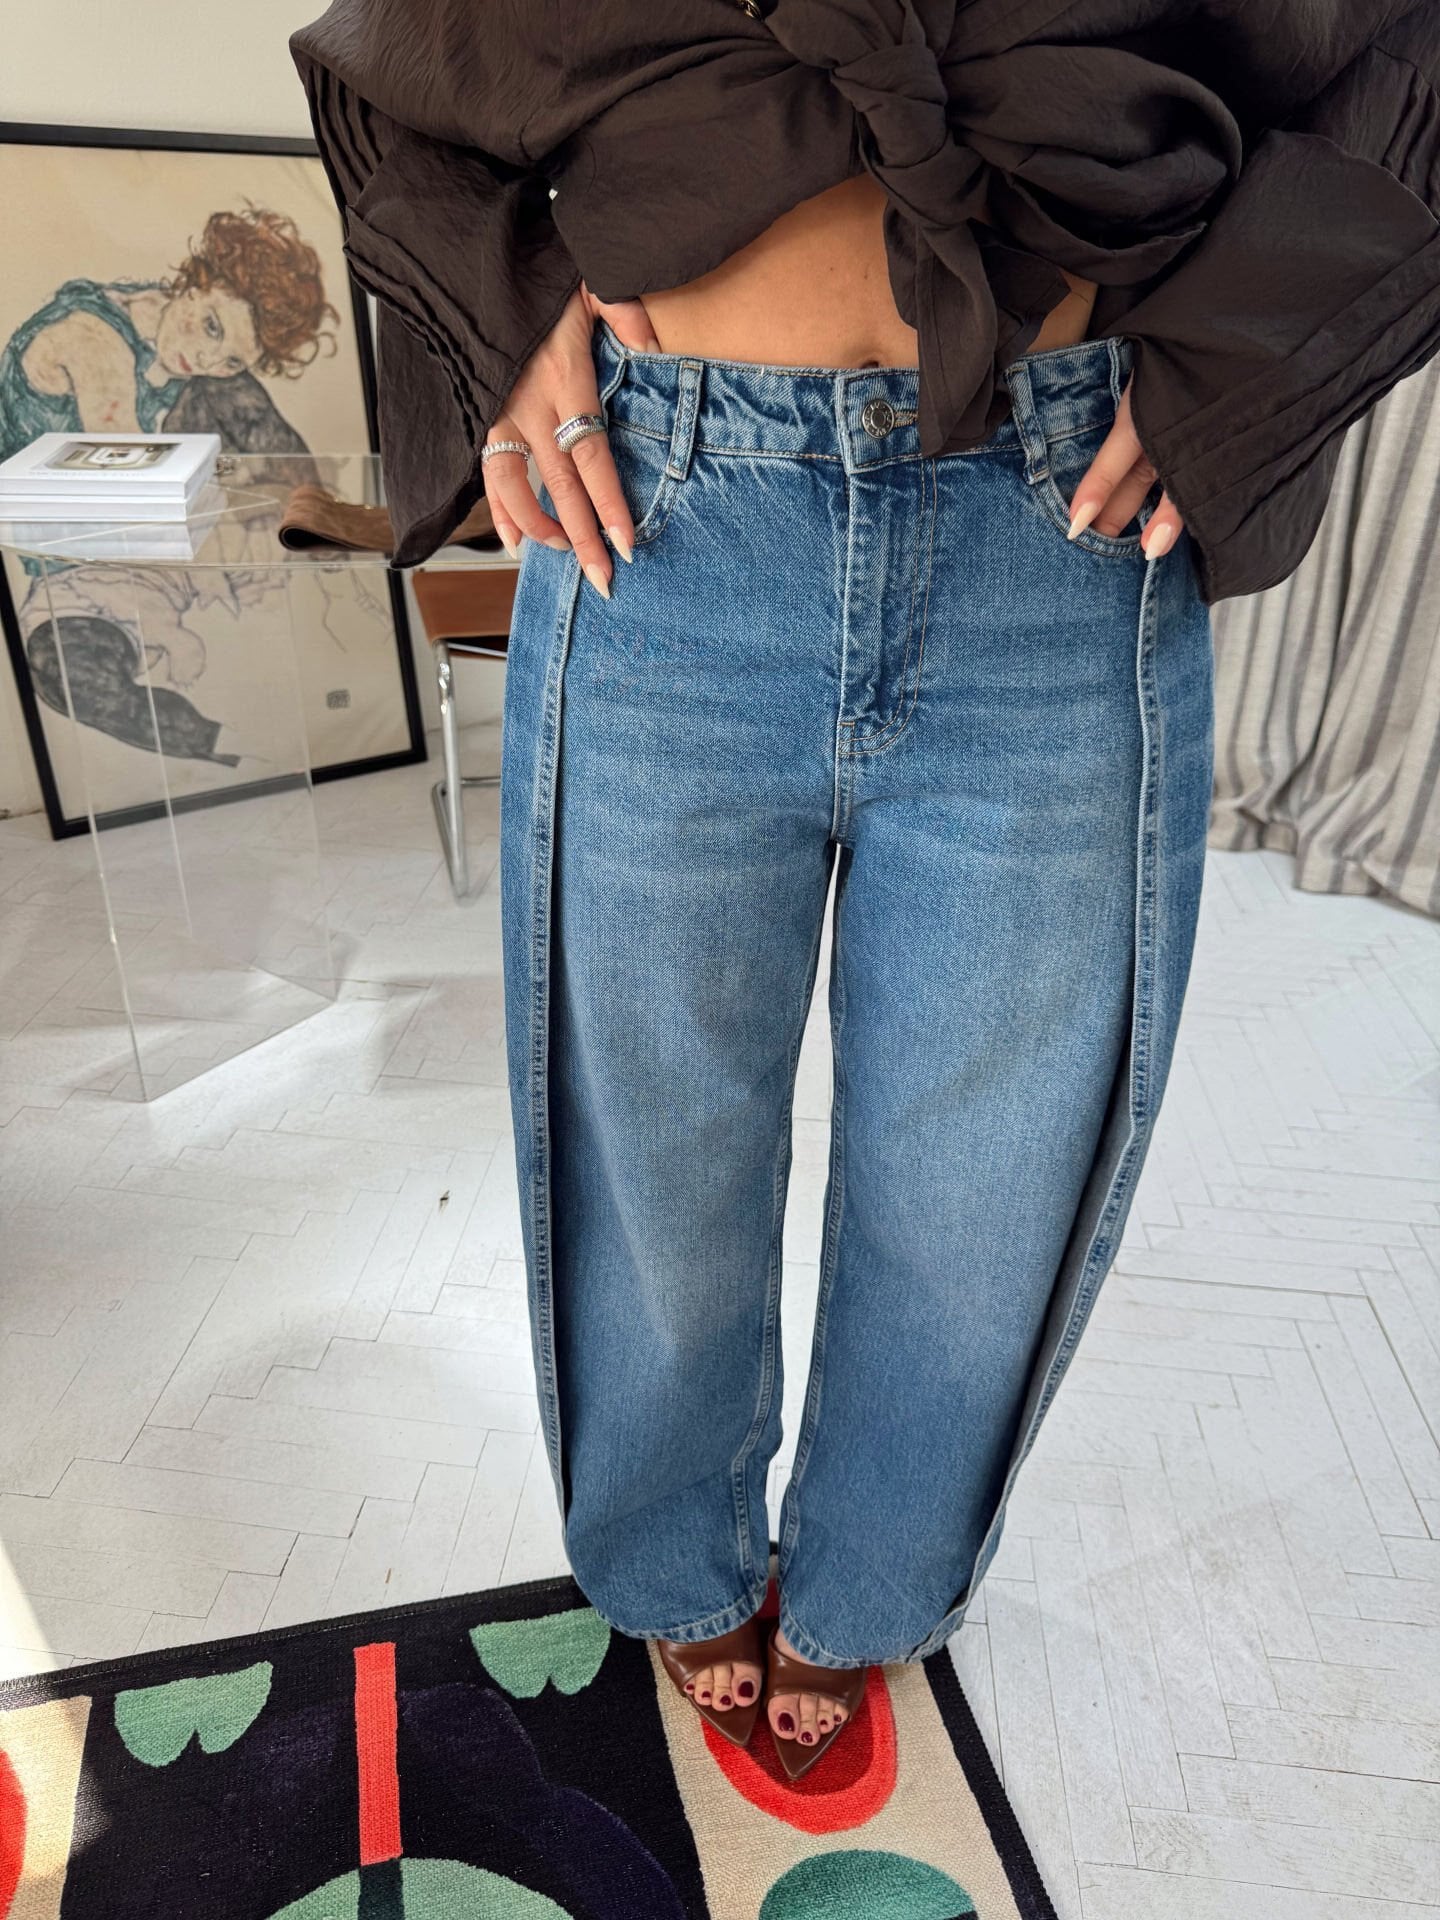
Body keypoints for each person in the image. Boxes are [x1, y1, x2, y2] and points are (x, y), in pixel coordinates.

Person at [291, 0, 1440, 1780]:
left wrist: (1235, 366)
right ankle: (672, 1551)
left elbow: (1390, 47)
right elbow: (414, 50)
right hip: (666, 508)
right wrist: (500, 323)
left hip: (1056, 526)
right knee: (649, 1137)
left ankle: (873, 1583)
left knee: (985, 1175)